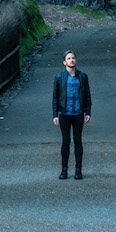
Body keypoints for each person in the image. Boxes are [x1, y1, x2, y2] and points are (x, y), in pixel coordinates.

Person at [51, 49, 91, 179]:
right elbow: (55, 97)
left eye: (73, 58)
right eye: (69, 58)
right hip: (64, 113)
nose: (71, 60)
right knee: (65, 141)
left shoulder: (82, 76)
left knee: (78, 141)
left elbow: (87, 96)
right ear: (64, 62)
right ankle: (64, 170)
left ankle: (78, 170)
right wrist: (55, 115)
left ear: (76, 60)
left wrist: (87, 112)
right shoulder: (59, 77)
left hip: (78, 113)